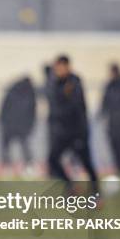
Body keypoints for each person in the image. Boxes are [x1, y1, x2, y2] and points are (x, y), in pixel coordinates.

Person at [46, 55, 99, 193]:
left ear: (67, 66)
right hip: (63, 132)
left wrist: (82, 133)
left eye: (60, 67)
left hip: (77, 131)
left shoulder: (74, 82)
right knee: (53, 160)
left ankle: (96, 193)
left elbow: (78, 108)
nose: (57, 70)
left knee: (86, 163)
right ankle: (71, 186)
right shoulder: (55, 83)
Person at [0, 76, 36, 177]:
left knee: (21, 148)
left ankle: (26, 167)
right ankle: (10, 167)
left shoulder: (14, 92)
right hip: (13, 125)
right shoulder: (27, 94)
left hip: (15, 126)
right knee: (11, 148)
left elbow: (3, 109)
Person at [99, 63, 120, 178]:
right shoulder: (109, 85)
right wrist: (102, 113)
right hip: (112, 122)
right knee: (113, 145)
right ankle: (117, 168)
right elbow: (104, 101)